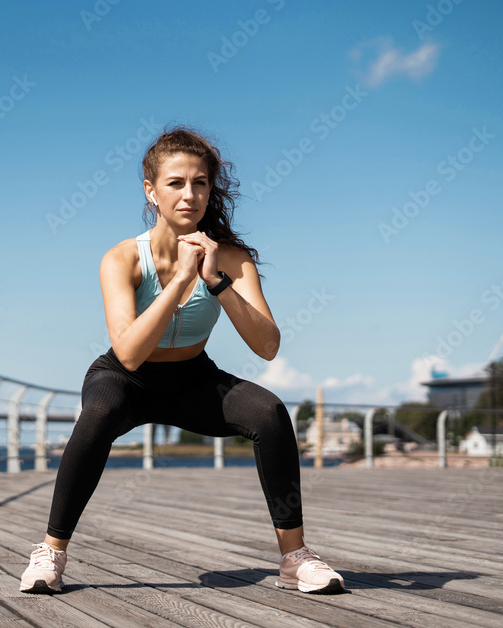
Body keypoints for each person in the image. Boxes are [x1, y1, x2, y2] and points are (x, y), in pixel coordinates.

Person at [19, 126, 344, 595]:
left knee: (269, 413)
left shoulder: (230, 259)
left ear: (211, 189)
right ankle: (51, 552)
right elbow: (129, 353)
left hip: (194, 379)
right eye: (175, 183)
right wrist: (179, 281)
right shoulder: (122, 258)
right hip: (125, 379)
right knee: (99, 412)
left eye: (200, 183)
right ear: (150, 191)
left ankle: (295, 558)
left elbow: (267, 346)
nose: (189, 194)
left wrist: (214, 280)